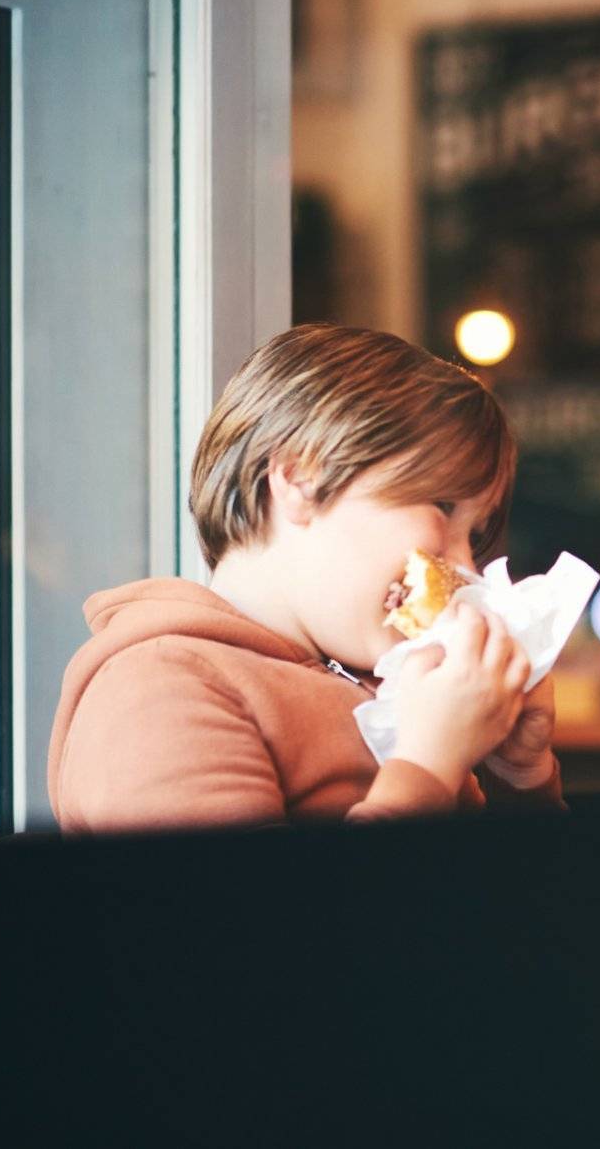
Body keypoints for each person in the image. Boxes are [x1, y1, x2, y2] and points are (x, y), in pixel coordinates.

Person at [47, 324, 562, 832]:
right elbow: (246, 915)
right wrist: (427, 766)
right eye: (442, 506)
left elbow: (526, 908)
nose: (466, 569)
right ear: (299, 478)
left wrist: (518, 776)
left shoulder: (395, 691)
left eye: (474, 536)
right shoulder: (159, 689)